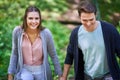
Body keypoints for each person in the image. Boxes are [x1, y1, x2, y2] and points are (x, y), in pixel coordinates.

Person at [60, 1, 120, 80]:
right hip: (87, 76)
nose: (88, 23)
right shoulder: (76, 34)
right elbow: (69, 56)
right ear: (79, 17)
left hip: (108, 75)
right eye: (84, 20)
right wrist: (64, 77)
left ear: (96, 15)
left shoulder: (109, 30)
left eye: (91, 19)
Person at [8, 5, 62, 80]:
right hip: (24, 70)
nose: (34, 21)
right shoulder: (17, 32)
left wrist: (60, 75)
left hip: (42, 71)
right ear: (25, 19)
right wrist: (10, 73)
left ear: (40, 20)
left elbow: (53, 55)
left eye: (36, 18)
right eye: (30, 18)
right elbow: (14, 53)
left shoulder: (46, 33)